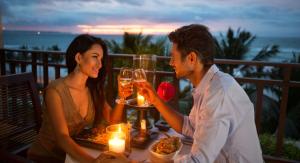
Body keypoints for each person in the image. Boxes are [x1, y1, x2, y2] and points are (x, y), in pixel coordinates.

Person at [137, 24, 264, 162]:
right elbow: (189, 127)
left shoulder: (218, 94)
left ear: (192, 58)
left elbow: (198, 160)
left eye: (173, 57)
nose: (170, 62)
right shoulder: (209, 85)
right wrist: (156, 100)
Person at [27, 34, 132, 163]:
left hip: (73, 155)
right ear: (78, 58)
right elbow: (62, 137)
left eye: (101, 59)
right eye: (95, 57)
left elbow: (112, 120)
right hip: (48, 157)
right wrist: (93, 162)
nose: (100, 64)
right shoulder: (55, 91)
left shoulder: (92, 89)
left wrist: (121, 97)